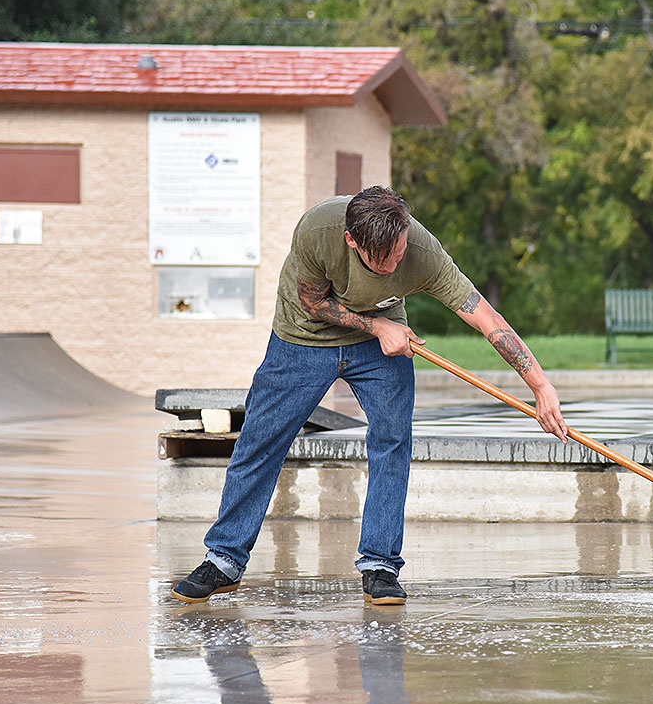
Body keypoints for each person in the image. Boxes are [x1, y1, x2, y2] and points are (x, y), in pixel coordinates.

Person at [172, 186, 568, 606]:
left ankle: (379, 566)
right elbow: (313, 303)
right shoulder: (318, 230)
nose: (396, 262)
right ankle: (224, 560)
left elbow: (485, 316)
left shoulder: (419, 249)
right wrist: (378, 327)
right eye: (384, 260)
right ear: (351, 240)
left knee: (392, 440)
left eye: (399, 253)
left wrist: (541, 387)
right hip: (303, 337)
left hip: (383, 342)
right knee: (260, 440)